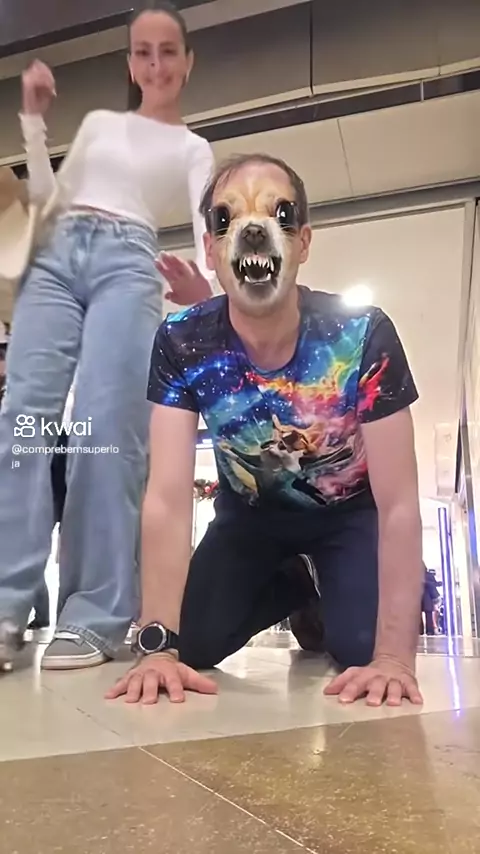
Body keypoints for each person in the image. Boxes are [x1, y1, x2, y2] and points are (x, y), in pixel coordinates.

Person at [107, 153, 425, 707]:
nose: (253, 230)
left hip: (349, 515)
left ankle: (330, 595)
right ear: (210, 250)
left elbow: (399, 502)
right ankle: (292, 584)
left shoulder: (362, 333)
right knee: (190, 644)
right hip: (248, 517)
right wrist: (157, 647)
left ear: (303, 242)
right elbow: (167, 497)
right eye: (226, 219)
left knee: (361, 650)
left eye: (279, 214)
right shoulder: (181, 341)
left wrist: (395, 657)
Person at [0, 1, 215, 672]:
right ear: (130, 62)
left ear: (187, 62)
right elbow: (48, 197)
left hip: (129, 259)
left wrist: (206, 287)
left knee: (106, 429)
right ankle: (5, 606)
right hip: (57, 253)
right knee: (21, 420)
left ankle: (94, 613)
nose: (156, 63)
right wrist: (34, 120)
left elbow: (207, 228)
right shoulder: (98, 123)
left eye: (168, 51)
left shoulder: (193, 148)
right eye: (143, 51)